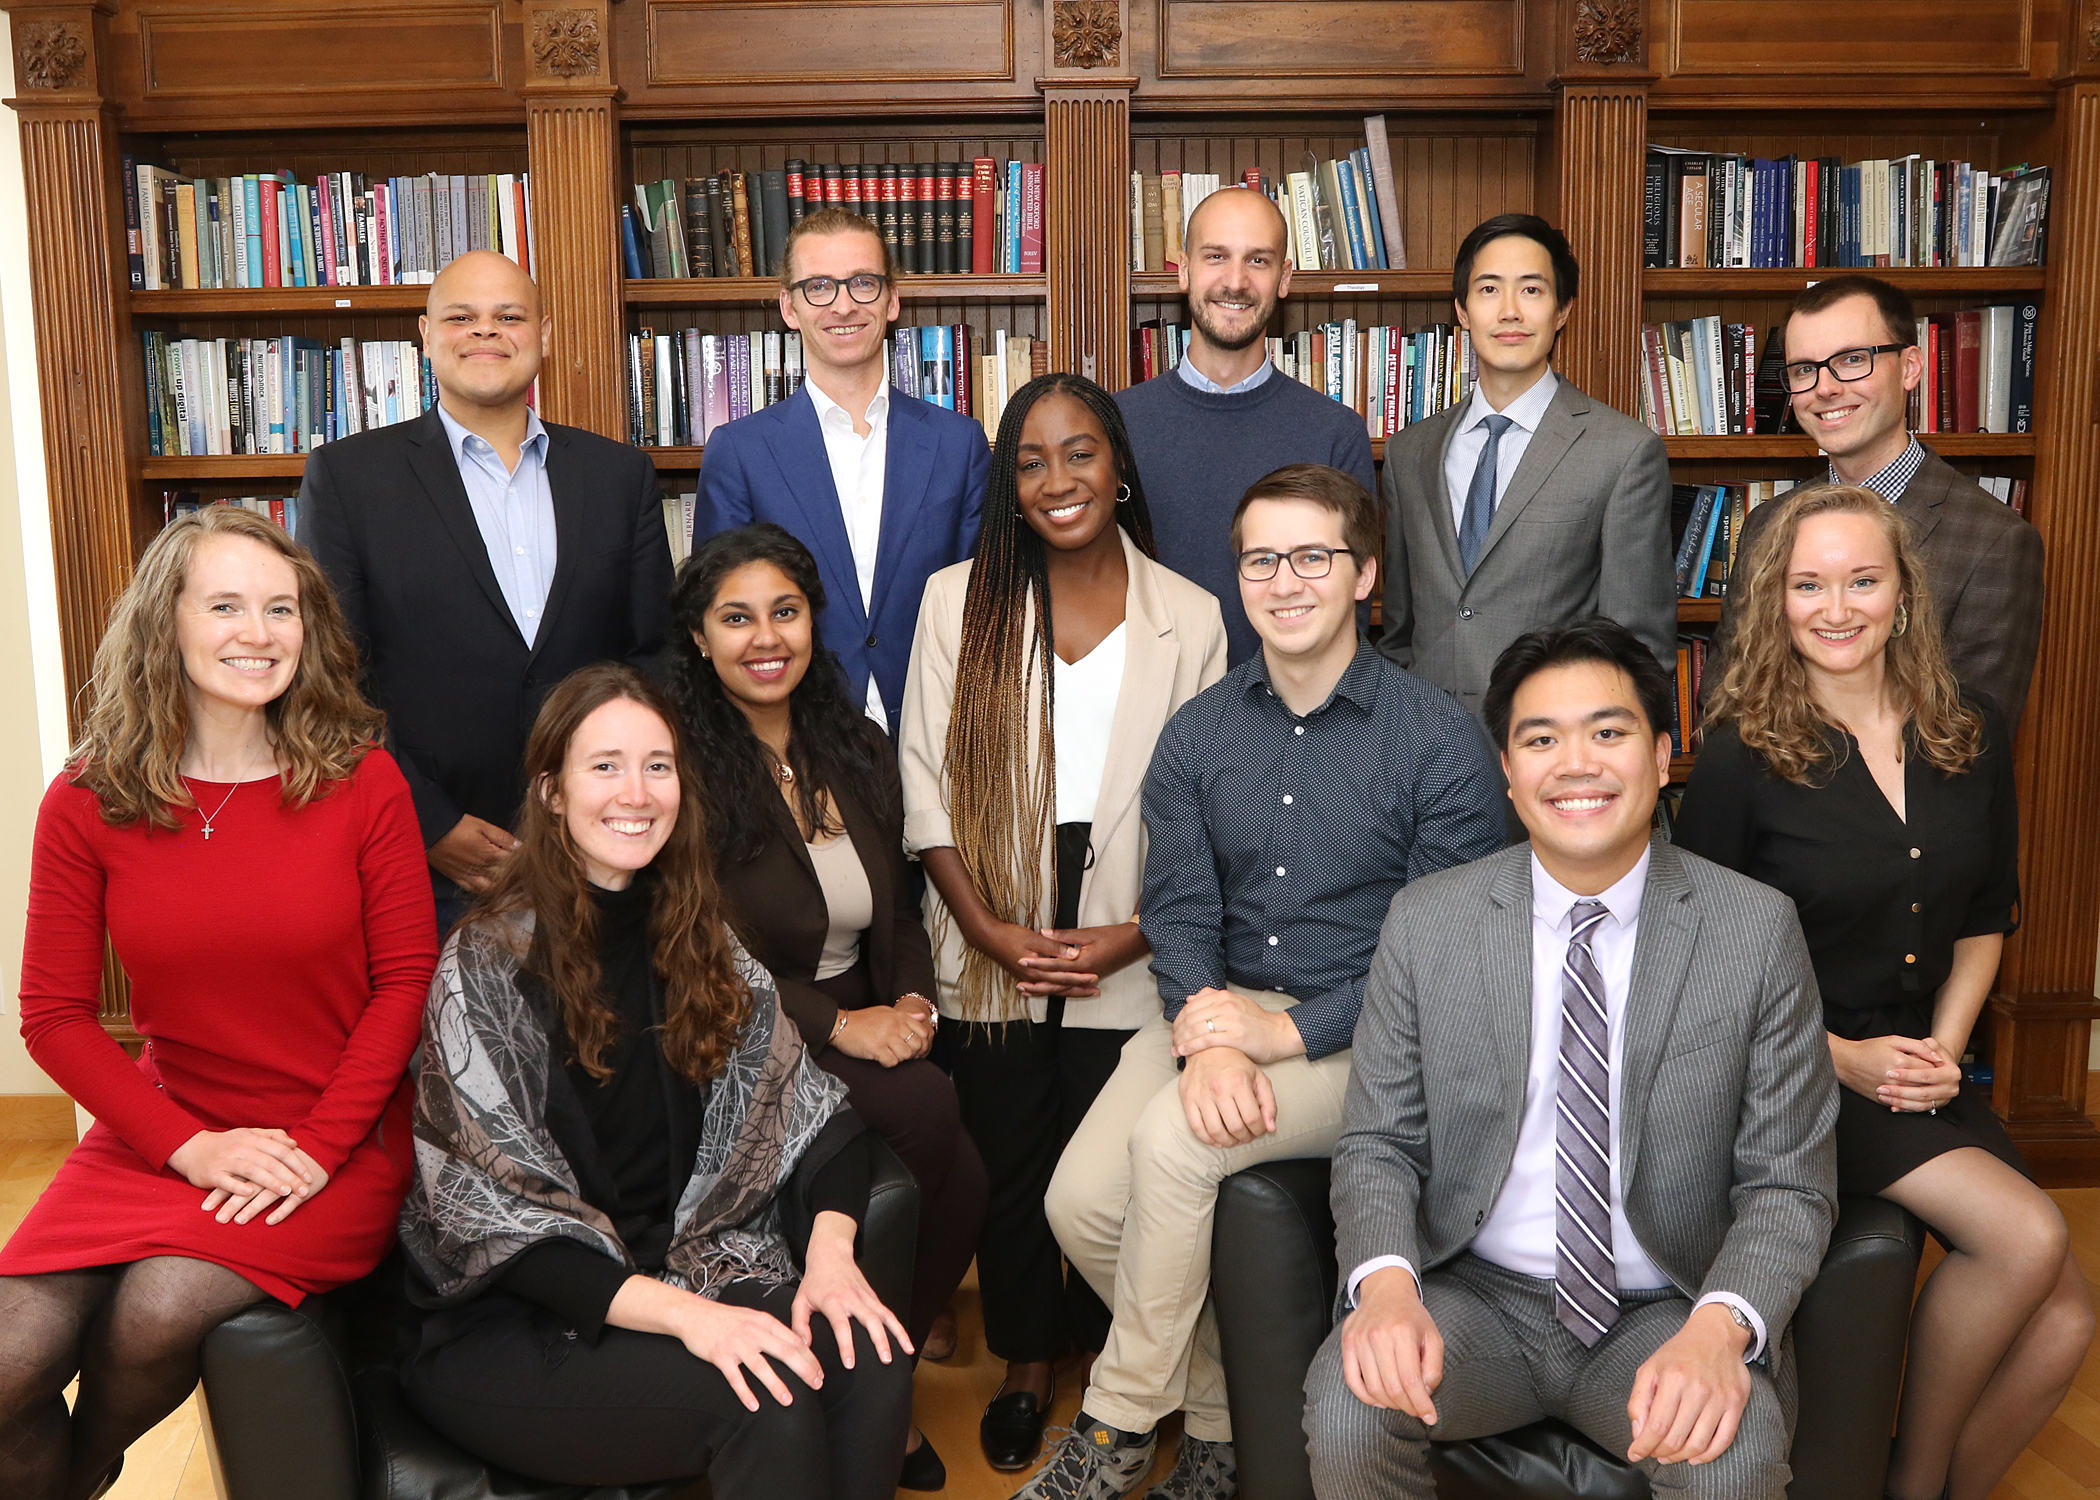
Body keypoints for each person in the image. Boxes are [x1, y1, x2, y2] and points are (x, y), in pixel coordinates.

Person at [1032, 464, 1505, 1500]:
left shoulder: (1439, 741)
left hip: (1378, 1037)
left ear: (1364, 574)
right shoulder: (1199, 734)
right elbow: (1183, 913)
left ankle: (1111, 1433)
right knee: (1079, 1204)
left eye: (1312, 557)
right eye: (1261, 559)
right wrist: (1209, 1036)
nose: (1284, 581)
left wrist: (1278, 1038)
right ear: (1238, 574)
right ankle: (1217, 1417)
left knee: (1172, 1147)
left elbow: (1445, 951)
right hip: (1221, 1008)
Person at [1304, 616, 1840, 1500]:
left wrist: (1720, 1329)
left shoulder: (1755, 930)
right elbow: (1378, 1146)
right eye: (1541, 739)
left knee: (1730, 1459)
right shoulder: (1427, 921)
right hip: (1470, 1298)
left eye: (1609, 731)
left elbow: (1789, 1182)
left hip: (1663, 1309)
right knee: (1350, 1404)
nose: (1577, 763)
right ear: (1509, 775)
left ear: (1663, 754)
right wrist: (1388, 1289)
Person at [0, 506, 438, 1500]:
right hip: (167, 1126)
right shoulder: (89, 796)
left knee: (160, 1307)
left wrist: (321, 1147)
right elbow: (55, 1016)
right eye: (228, 604)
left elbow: (407, 981)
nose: (259, 631)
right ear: (169, 622)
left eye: (280, 608)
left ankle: (79, 1471)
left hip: (335, 1135)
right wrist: (187, 1147)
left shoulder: (363, 781)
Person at [397, 663, 914, 1499]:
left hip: (688, 1260)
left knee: (870, 1355)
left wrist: (829, 1262)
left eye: (658, 765)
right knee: (765, 1402)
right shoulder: (486, 962)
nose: (634, 792)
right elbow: (498, 1228)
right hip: (523, 1322)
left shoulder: (702, 939)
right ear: (552, 791)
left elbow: (813, 1118)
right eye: (604, 765)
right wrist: (696, 1320)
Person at [1675, 485, 2092, 1500]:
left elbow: (1986, 918)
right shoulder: (1740, 755)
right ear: (1778, 602)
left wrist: (1946, 1048)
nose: (1837, 605)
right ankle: (1905, 1482)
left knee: (2071, 1320)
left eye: (1863, 579)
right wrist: (1843, 1058)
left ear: (1903, 591)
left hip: (1922, 1066)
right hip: (1798, 1075)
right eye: (1809, 584)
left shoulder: (1970, 731)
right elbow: (1699, 965)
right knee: (2031, 1234)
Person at [900, 372, 1228, 1473]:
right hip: (990, 906)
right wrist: (987, 928)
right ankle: (1029, 1363)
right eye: (1031, 461)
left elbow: (1209, 808)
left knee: (1107, 1164)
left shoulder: (1192, 615)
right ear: (1010, 484)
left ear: (1118, 464)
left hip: (1136, 911)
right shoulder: (960, 601)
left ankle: (1118, 1365)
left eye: (1079, 453)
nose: (1058, 480)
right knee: (1008, 1157)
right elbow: (925, 783)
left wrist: (1136, 932)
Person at [669, 522, 990, 1489]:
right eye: (736, 619)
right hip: (754, 1030)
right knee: (931, 1111)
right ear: (698, 639)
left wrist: (913, 1006)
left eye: (785, 612)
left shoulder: (851, 744)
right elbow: (704, 951)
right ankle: (874, 1410)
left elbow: (899, 903)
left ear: (814, 624)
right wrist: (844, 1026)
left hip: (870, 1008)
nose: (765, 638)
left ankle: (868, 1381)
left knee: (967, 1185)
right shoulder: (682, 766)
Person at [298, 248, 675, 928]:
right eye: (461, 317)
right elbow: (332, 678)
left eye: (509, 316)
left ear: (545, 335)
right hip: (422, 861)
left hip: (598, 852)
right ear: (425, 334)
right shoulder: (350, 479)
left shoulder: (618, 475)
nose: (485, 332)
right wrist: (427, 821)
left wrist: (613, 800)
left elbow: (652, 660)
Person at [697, 205, 990, 733]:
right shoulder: (739, 450)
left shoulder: (959, 443)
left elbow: (984, 603)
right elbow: (720, 616)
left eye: (862, 282)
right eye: (819, 287)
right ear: (789, 307)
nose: (843, 305)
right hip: (793, 739)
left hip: (942, 732)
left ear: (892, 298)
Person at [1709, 274, 2044, 730]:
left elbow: (1973, 742)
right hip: (1764, 790)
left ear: (1909, 367)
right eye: (1805, 369)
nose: (1824, 388)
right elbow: (1726, 698)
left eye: (1851, 359)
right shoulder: (1767, 523)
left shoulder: (1996, 542)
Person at [1376, 213, 1674, 718]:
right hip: (1419, 758)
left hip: (1550, 753)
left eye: (1532, 290)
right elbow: (1400, 632)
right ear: (1463, 311)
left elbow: (1638, 651)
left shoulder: (1624, 452)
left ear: (1562, 311)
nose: (1509, 311)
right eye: (1489, 289)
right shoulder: (1409, 453)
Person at [1115, 187, 1377, 666]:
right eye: (1216, 256)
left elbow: (1347, 621)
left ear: (1284, 277)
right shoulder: (1116, 426)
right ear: (1184, 270)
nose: (1235, 281)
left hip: (1290, 724)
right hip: (1150, 720)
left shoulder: (1335, 433)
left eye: (1258, 260)